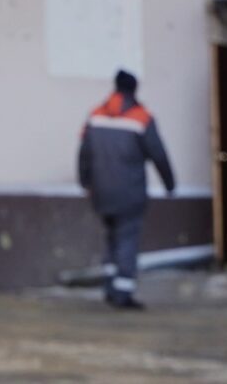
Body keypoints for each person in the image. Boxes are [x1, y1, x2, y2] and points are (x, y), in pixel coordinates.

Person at [75, 68, 176, 309]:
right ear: (134, 89)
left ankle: (110, 287)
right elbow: (158, 154)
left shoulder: (95, 115)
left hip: (101, 193)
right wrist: (169, 184)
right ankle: (123, 294)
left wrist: (86, 182)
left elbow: (84, 153)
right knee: (127, 241)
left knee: (111, 239)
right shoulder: (141, 118)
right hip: (130, 194)